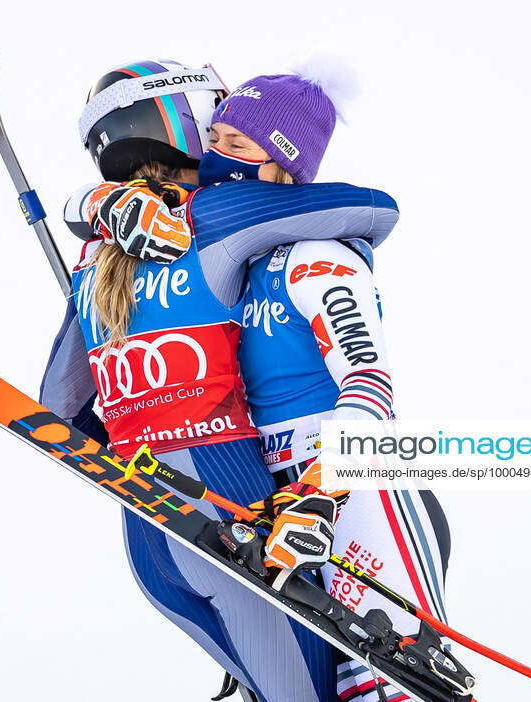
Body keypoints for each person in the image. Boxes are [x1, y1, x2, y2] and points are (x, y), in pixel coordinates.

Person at [75, 67, 454, 702]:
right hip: (279, 503)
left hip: (352, 493)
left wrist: (323, 489)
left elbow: (370, 384)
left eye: (242, 147)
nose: (220, 156)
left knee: (392, 689)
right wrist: (93, 208)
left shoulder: (319, 255)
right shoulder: (233, 263)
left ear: (282, 165)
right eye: (214, 138)